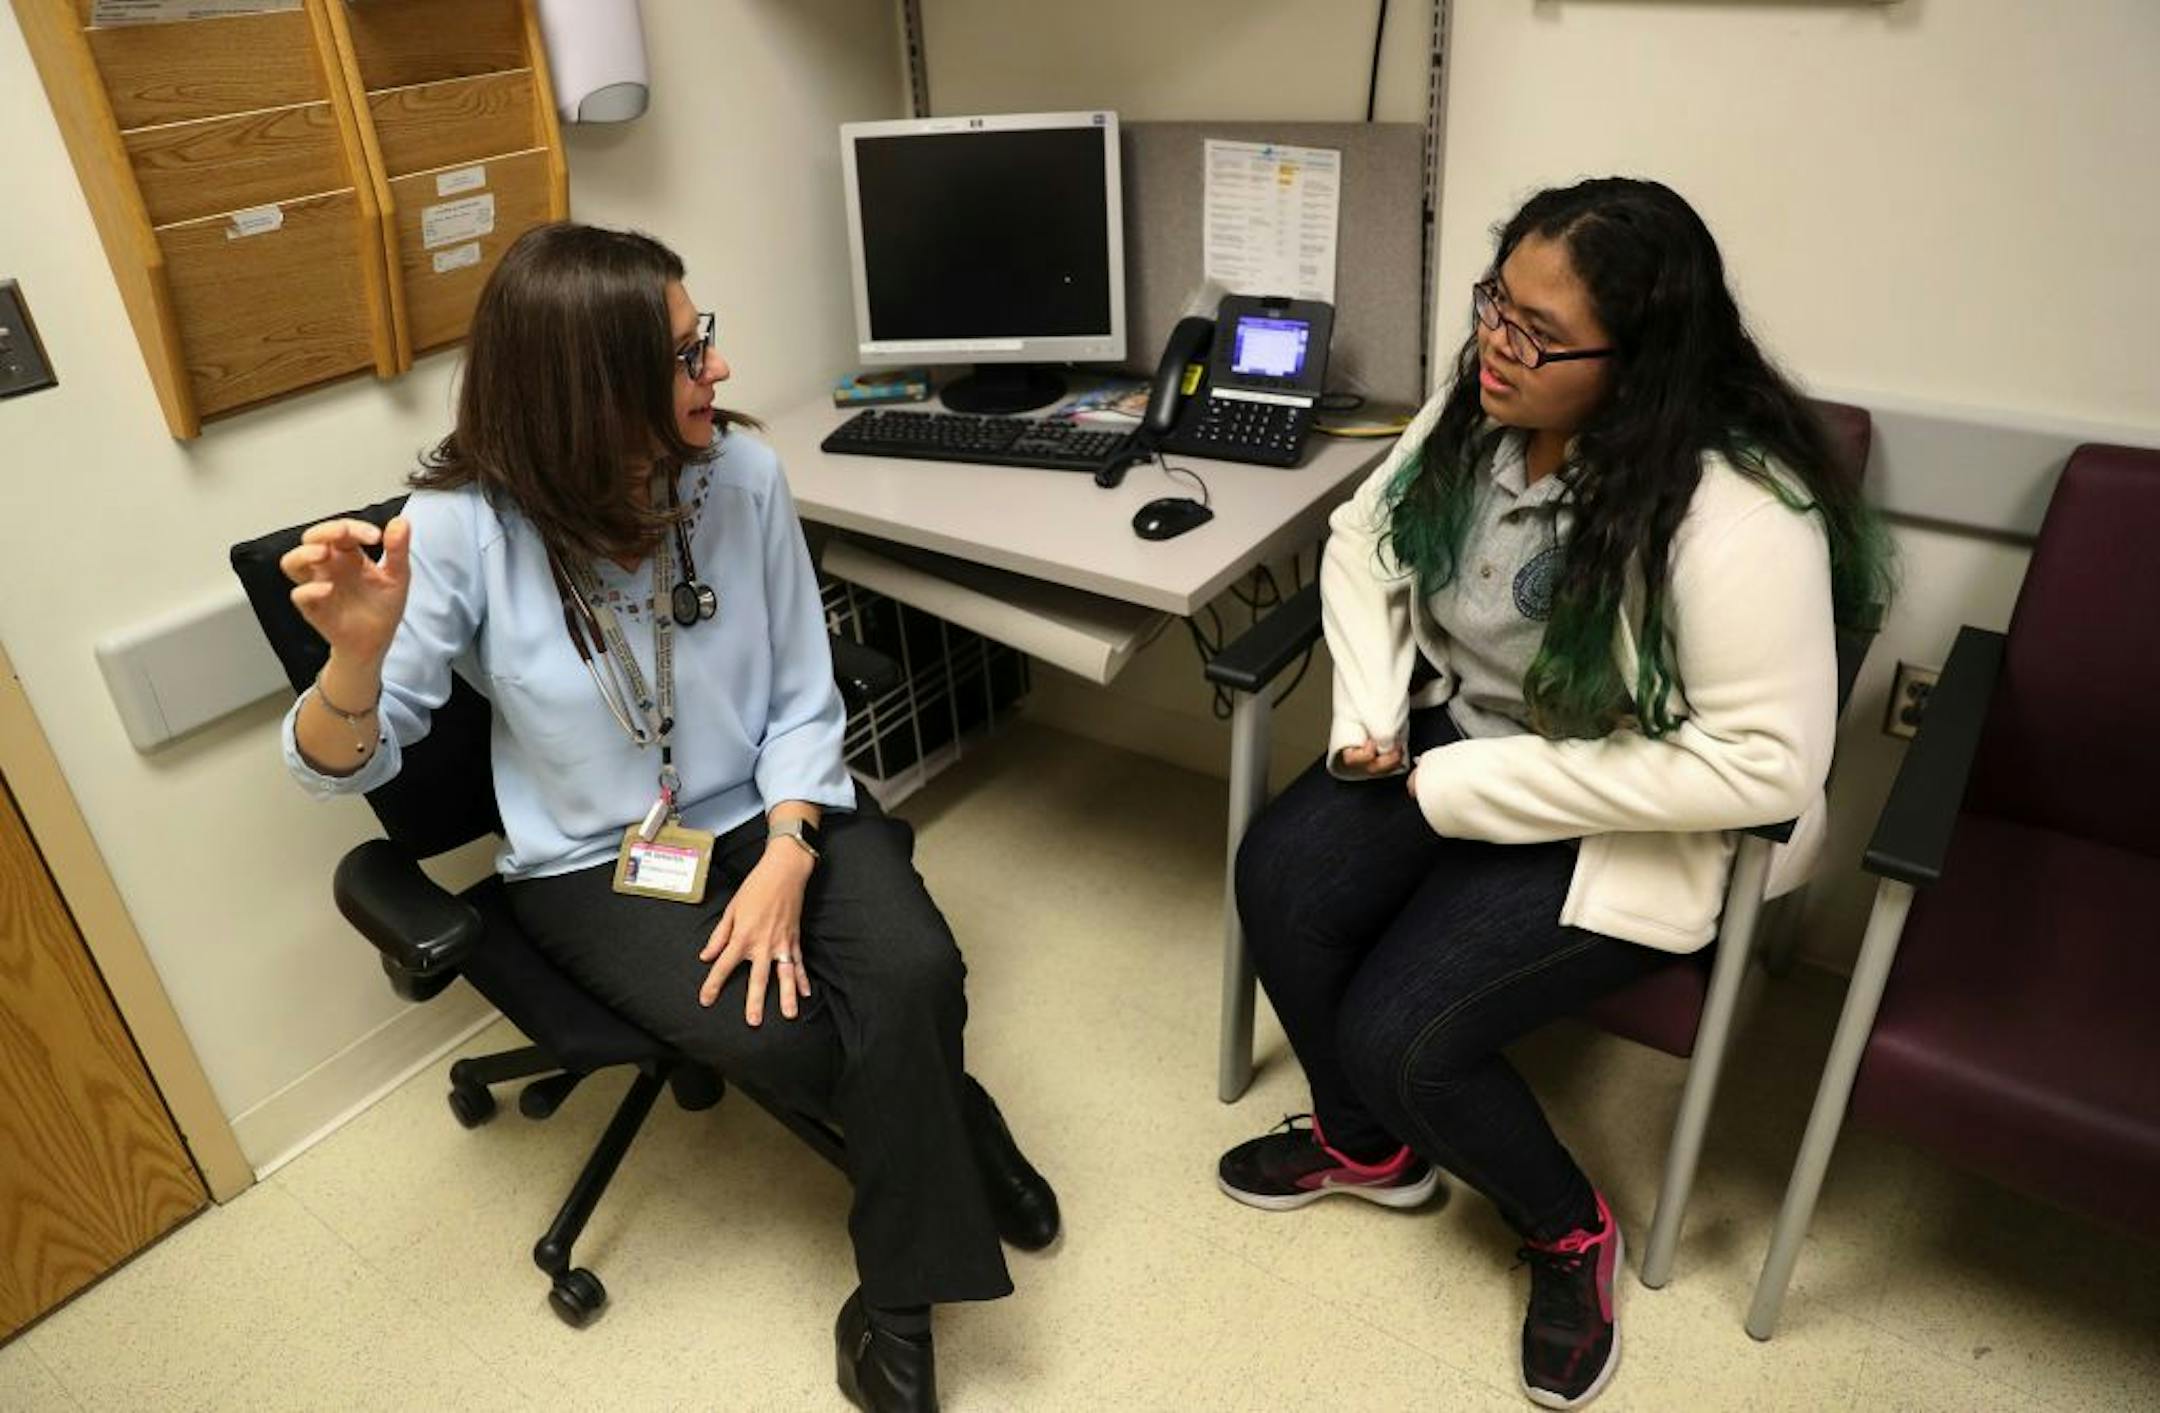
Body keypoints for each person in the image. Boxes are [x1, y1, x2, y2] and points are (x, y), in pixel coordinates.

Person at [280, 222, 1058, 1413]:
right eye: (690, 355)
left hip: (775, 804)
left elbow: (805, 688)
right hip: (596, 856)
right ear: (589, 392)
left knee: (916, 974)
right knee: (786, 1039)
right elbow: (339, 770)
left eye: (707, 341)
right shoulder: (460, 530)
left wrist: (792, 846)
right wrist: (354, 662)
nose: (720, 372)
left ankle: (893, 1308)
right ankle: (962, 1127)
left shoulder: (738, 477)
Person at [1213, 178, 1891, 1409]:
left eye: (1536, 331)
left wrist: (1480, 784)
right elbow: (1367, 534)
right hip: (1448, 747)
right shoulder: (1483, 404)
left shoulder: (1737, 514)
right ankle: (1370, 1152)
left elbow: (1766, 767)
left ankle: (1568, 1229)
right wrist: (1368, 711)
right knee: (1282, 876)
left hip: (1623, 814)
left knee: (1402, 1035)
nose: (1495, 346)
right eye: (1494, 305)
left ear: (1638, 365)